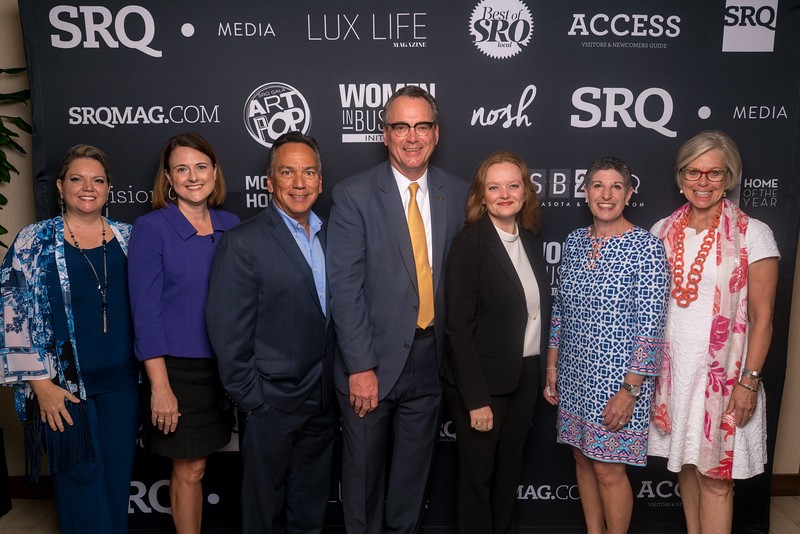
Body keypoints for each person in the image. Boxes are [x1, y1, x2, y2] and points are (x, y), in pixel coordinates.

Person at [327, 85, 469, 533]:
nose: (412, 137)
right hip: (371, 361)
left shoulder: (458, 193)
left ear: (436, 133)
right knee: (363, 481)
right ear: (384, 133)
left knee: (412, 482)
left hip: (430, 361)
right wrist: (360, 366)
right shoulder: (354, 194)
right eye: (401, 126)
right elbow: (344, 288)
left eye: (422, 126)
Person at [0, 145, 139, 533]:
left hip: (122, 386)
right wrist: (41, 385)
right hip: (63, 387)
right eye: (77, 179)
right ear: (61, 187)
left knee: (116, 479)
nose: (87, 187)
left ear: (108, 189)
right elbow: (11, 312)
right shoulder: (34, 240)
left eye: (98, 180)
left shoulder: (130, 238)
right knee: (79, 478)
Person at [648, 131, 779, 533]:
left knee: (716, 479)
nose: (702, 182)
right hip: (675, 376)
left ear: (728, 177)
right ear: (680, 177)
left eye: (714, 173)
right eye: (694, 172)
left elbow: (762, 316)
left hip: (725, 377)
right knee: (686, 467)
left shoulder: (754, 233)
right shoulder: (662, 230)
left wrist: (748, 382)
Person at [206, 131, 336, 534]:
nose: (299, 183)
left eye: (308, 172)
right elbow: (227, 330)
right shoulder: (243, 242)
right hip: (270, 402)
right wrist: (252, 400)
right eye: (287, 172)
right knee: (263, 510)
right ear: (269, 181)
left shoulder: (334, 235)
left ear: (320, 181)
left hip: (323, 399)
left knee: (310, 508)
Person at [543, 156, 669, 534]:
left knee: (608, 470)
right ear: (585, 193)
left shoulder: (646, 248)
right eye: (598, 185)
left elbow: (651, 328)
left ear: (629, 194)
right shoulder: (575, 242)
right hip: (574, 374)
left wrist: (630, 390)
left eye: (616, 187)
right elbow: (560, 309)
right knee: (582, 459)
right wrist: (552, 366)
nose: (607, 195)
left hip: (619, 380)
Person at [127, 132, 239, 534]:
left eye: (201, 167)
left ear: (215, 172)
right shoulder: (151, 228)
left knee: (203, 465)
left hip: (225, 368)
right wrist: (160, 387)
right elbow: (145, 313)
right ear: (168, 178)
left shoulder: (231, 225)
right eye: (182, 169)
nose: (193, 177)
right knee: (189, 468)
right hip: (177, 370)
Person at [443, 151, 551, 533]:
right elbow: (458, 328)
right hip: (483, 385)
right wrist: (475, 400)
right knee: (478, 480)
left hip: (525, 377)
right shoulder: (469, 244)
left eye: (513, 185)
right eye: (494, 187)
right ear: (481, 196)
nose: (504, 194)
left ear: (525, 192)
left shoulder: (530, 240)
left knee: (509, 475)